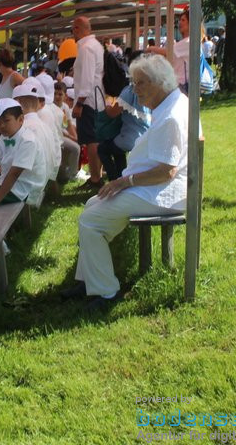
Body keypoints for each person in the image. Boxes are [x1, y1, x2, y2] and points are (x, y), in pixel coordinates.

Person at [61, 54, 189, 310]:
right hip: (155, 188)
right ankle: (89, 280)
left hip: (162, 193)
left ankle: (107, 292)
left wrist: (124, 181)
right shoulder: (171, 104)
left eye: (140, 83)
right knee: (91, 206)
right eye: (134, 82)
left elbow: (167, 171)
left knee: (90, 220)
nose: (135, 89)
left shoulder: (171, 115)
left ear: (159, 82)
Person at [70, 16, 105, 186]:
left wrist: (79, 103)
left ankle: (95, 177)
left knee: (91, 140)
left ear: (77, 29)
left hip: (89, 101)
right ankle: (97, 174)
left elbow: (87, 79)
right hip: (96, 99)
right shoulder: (95, 45)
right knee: (94, 139)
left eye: (73, 29)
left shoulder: (86, 48)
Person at [96, 82, 151, 182]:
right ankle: (121, 177)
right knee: (117, 149)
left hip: (130, 138)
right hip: (146, 137)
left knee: (102, 149)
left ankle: (113, 179)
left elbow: (113, 113)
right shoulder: (151, 90)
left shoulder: (129, 91)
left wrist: (107, 105)